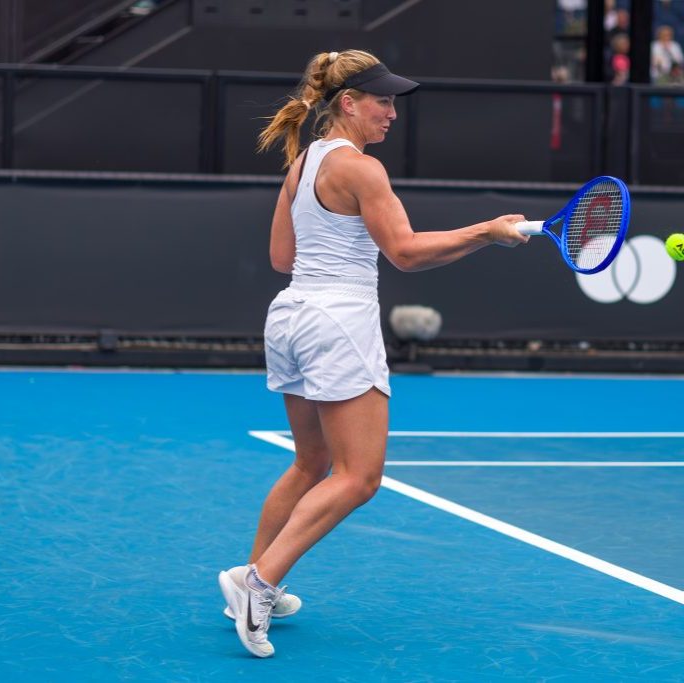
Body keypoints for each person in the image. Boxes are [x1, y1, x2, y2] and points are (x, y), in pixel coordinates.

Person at [216, 49, 529, 658]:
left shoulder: (304, 160)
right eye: (382, 100)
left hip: (292, 316)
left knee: (310, 464)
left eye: (393, 101)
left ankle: (248, 573)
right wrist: (485, 233)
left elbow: (283, 258)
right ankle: (261, 581)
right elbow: (406, 252)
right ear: (347, 104)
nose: (392, 113)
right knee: (358, 478)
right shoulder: (362, 169)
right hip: (338, 320)